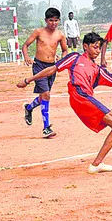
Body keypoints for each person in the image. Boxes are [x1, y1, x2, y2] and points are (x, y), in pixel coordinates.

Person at [17, 32, 112, 174]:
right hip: (79, 96)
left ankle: (96, 164)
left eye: (99, 48)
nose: (98, 51)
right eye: (95, 47)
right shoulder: (75, 58)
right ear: (85, 46)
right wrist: (28, 80)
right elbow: (52, 69)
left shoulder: (99, 70)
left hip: (84, 99)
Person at [21, 7, 68, 138]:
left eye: (56, 20)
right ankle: (46, 127)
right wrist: (26, 57)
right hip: (39, 66)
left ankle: (29, 108)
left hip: (52, 67)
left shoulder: (60, 35)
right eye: (51, 20)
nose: (53, 23)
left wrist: (62, 58)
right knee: (46, 95)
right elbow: (25, 45)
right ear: (46, 20)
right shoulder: (39, 32)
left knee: (44, 96)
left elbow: (65, 50)